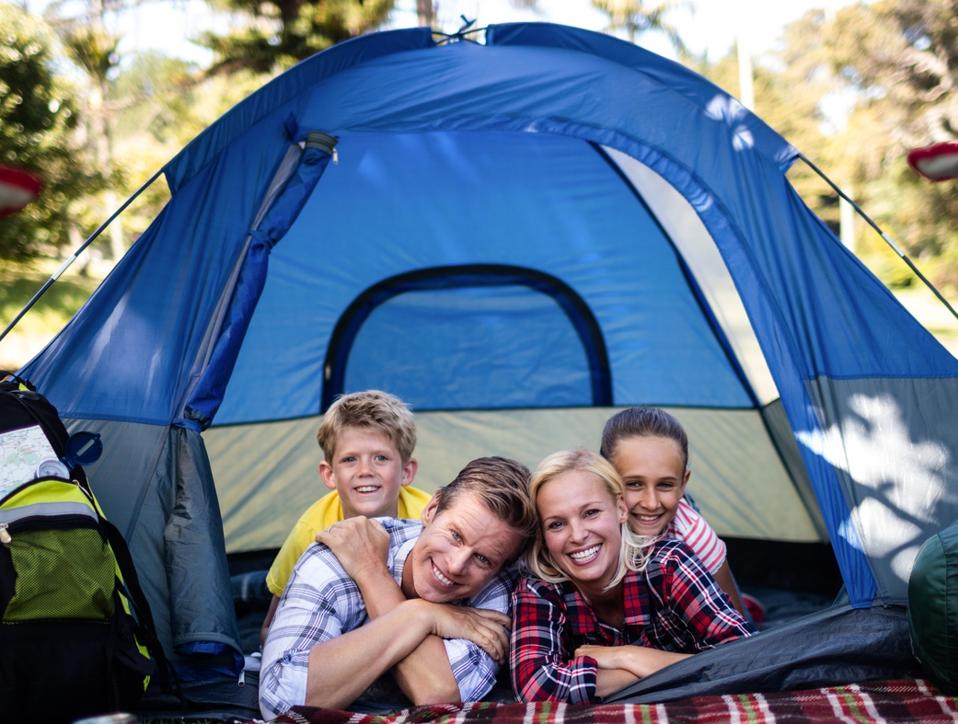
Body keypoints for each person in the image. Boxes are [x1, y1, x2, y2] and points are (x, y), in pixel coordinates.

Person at [259, 456, 537, 717]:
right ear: (431, 509)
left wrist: (383, 586)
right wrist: (422, 614)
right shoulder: (339, 556)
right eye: (454, 535)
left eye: (482, 559)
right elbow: (281, 699)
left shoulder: (497, 586)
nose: (456, 565)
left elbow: (439, 694)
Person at [510, 449, 754, 703]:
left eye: (591, 513)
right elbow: (535, 687)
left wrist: (625, 656)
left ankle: (751, 604)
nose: (578, 535)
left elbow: (749, 659)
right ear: (544, 537)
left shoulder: (669, 565)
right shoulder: (538, 589)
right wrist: (674, 669)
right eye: (557, 524)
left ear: (621, 508)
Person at [260, 390, 432, 644]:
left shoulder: (428, 518)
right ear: (329, 474)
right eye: (350, 459)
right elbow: (271, 626)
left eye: (380, 458)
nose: (365, 471)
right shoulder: (312, 529)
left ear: (406, 471)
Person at [600, 406, 750, 618]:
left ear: (683, 483)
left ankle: (749, 602)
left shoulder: (694, 536)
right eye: (634, 484)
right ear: (606, 479)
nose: (651, 503)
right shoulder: (588, 524)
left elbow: (740, 632)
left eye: (665, 485)